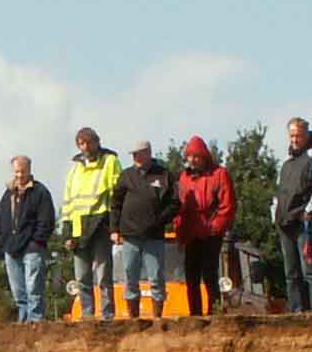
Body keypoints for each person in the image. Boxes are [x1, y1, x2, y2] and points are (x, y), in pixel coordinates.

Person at [109, 140, 178, 318]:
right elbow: (115, 204)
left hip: (154, 236)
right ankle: (133, 319)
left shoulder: (164, 175)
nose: (135, 158)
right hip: (130, 236)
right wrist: (114, 229)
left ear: (148, 152)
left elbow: (174, 203)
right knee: (130, 277)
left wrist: (159, 221)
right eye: (133, 155)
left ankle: (157, 318)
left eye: (138, 154)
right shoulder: (126, 176)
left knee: (156, 277)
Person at [272, 116, 312, 313]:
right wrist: (275, 213)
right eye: (292, 136)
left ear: (306, 135)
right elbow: (279, 191)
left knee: (310, 271)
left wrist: (310, 210)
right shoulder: (286, 161)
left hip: (304, 222)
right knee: (291, 273)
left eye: (298, 135)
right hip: (284, 222)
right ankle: (296, 312)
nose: (295, 140)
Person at [61, 127, 120, 319]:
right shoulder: (74, 169)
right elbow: (68, 203)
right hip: (79, 230)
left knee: (103, 276)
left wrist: (114, 226)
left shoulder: (110, 161)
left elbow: (116, 196)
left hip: (101, 226)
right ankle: (87, 317)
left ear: (97, 142)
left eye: (88, 142)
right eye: (81, 143)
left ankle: (107, 316)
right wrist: (67, 233)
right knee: (82, 278)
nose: (85, 147)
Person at [176, 136, 237, 317]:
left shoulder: (219, 174)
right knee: (191, 277)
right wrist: (180, 234)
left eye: (196, 156)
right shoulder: (184, 178)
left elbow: (228, 205)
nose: (193, 160)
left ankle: (214, 314)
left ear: (204, 156)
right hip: (191, 233)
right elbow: (181, 209)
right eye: (189, 156)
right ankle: (195, 316)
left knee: (210, 274)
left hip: (211, 233)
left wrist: (215, 227)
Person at [0, 157, 55, 323]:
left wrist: (36, 241)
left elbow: (47, 220)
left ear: (29, 170)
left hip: (32, 249)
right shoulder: (8, 194)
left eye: (23, 171)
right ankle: (23, 322)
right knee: (18, 291)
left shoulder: (40, 191)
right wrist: (3, 241)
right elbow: (0, 218)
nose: (20, 175)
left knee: (33, 288)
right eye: (17, 172)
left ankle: (35, 320)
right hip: (11, 249)